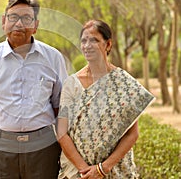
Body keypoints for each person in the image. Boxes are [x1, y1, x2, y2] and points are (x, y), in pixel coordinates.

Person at [0, 0, 68, 179]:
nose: (19, 24)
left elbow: (61, 109)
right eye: (13, 17)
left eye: (26, 18)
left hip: (43, 150)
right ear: (4, 22)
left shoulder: (53, 58)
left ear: (35, 26)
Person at [56, 19, 155, 179]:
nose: (87, 46)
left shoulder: (123, 82)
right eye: (83, 41)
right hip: (77, 172)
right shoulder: (71, 84)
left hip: (115, 170)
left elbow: (132, 133)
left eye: (93, 40)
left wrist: (103, 168)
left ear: (108, 45)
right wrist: (85, 170)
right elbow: (62, 132)